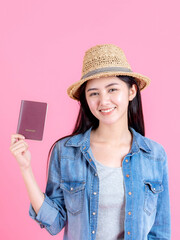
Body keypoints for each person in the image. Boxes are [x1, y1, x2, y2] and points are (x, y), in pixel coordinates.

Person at [10, 44, 171, 240]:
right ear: (86, 99)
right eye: (94, 93)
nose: (103, 101)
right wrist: (25, 168)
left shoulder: (154, 154)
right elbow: (54, 223)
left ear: (131, 92)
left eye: (112, 89)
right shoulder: (66, 152)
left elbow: (160, 233)